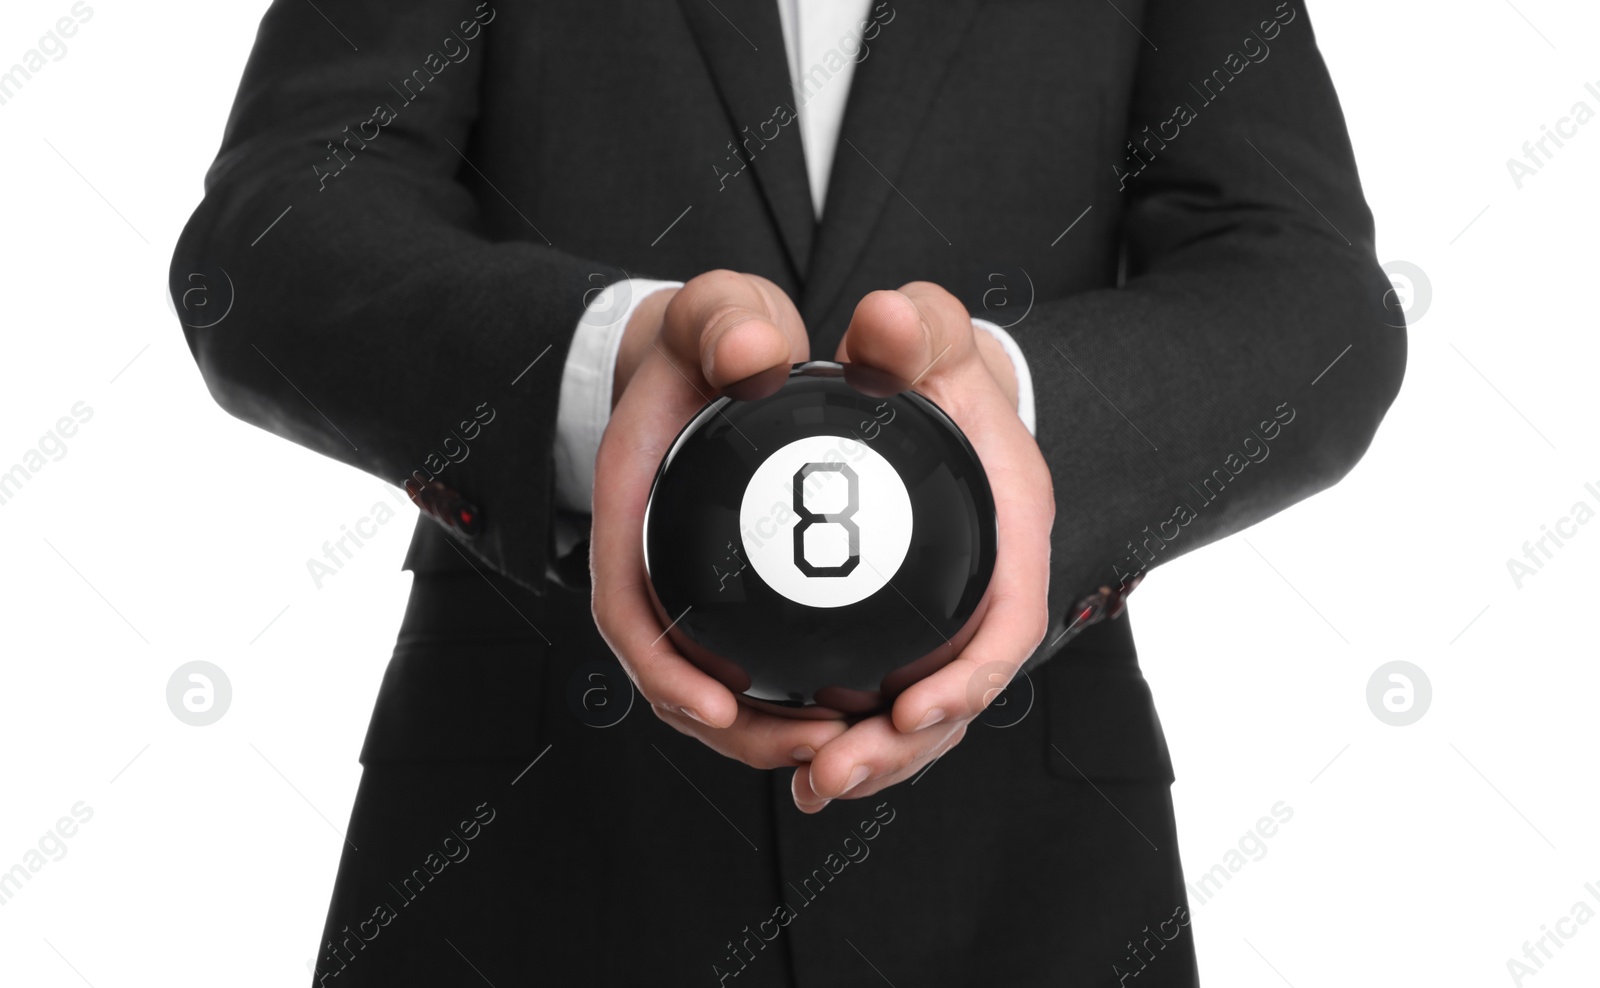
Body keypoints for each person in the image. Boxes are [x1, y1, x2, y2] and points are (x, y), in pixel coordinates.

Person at [172, 0, 1404, 983]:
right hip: (525, 857)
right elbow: (270, 237)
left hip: (1027, 879)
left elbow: (1312, 294)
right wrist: (608, 364)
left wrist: (1011, 426)